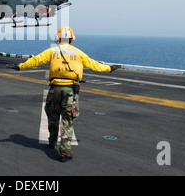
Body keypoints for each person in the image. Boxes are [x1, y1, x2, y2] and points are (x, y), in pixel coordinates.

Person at [9, 26, 121, 162]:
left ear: (58, 38)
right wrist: (109, 68)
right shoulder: (78, 52)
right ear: (72, 39)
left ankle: (51, 142)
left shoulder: (52, 51)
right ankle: (64, 153)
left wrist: (20, 66)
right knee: (67, 121)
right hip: (70, 91)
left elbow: (35, 60)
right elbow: (94, 64)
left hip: (54, 89)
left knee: (53, 117)